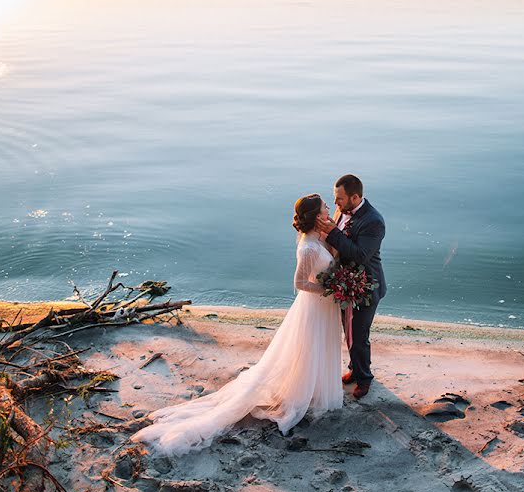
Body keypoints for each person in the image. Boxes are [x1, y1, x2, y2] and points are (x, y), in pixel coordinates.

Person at [131, 194, 343, 455]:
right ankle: (302, 392)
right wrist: (328, 289)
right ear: (315, 216)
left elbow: (332, 256)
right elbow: (300, 283)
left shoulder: (318, 238)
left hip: (324, 305)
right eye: (325, 208)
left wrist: (332, 239)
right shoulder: (308, 247)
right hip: (315, 305)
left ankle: (315, 388)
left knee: (319, 346)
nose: (329, 209)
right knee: (310, 347)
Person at [315, 174, 386, 399]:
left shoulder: (374, 221)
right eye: (335, 199)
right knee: (349, 333)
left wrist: (332, 232)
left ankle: (365, 378)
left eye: (340, 199)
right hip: (347, 284)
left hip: (367, 286)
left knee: (359, 334)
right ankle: (355, 369)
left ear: (355, 197)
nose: (336, 203)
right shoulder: (341, 212)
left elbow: (361, 254)